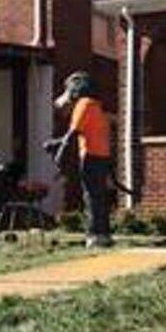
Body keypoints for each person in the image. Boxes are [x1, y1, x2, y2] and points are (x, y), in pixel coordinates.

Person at [53, 71, 115, 248]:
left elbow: (74, 132)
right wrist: (56, 143)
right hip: (102, 155)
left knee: (91, 197)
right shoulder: (96, 105)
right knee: (99, 196)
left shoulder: (83, 104)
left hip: (90, 156)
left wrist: (59, 155)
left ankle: (94, 235)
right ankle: (104, 234)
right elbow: (84, 131)